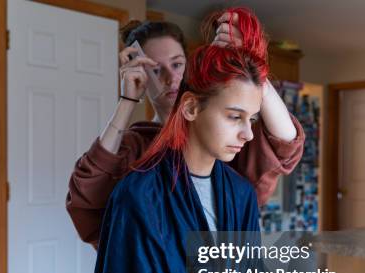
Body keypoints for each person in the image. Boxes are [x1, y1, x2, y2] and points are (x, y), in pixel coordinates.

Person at [92, 7, 316, 273]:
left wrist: (249, 67)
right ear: (192, 107)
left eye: (252, 119)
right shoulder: (138, 195)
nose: (247, 134)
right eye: (234, 117)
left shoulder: (241, 194)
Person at [66, 10, 305, 250]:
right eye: (156, 69)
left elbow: (285, 144)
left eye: (178, 64)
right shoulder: (136, 148)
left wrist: (249, 65)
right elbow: (87, 198)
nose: (172, 78)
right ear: (140, 73)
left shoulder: (224, 138)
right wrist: (127, 100)